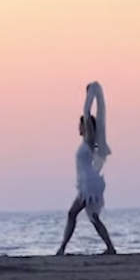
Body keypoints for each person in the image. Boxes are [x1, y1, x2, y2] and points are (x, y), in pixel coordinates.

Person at [56, 82, 117, 255]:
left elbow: (87, 114)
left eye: (80, 124)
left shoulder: (89, 142)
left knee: (72, 214)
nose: (78, 127)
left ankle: (62, 248)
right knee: (93, 218)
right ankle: (110, 248)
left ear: (87, 127)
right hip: (87, 184)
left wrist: (89, 96)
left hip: (89, 185)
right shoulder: (85, 144)